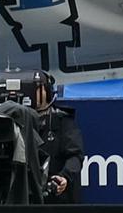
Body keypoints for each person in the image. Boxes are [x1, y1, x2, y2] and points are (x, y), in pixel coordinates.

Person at [26, 73, 84, 203]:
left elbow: (75, 156)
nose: (33, 93)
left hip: (56, 199)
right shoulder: (17, 121)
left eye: (38, 88)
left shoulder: (62, 120)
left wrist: (64, 177)